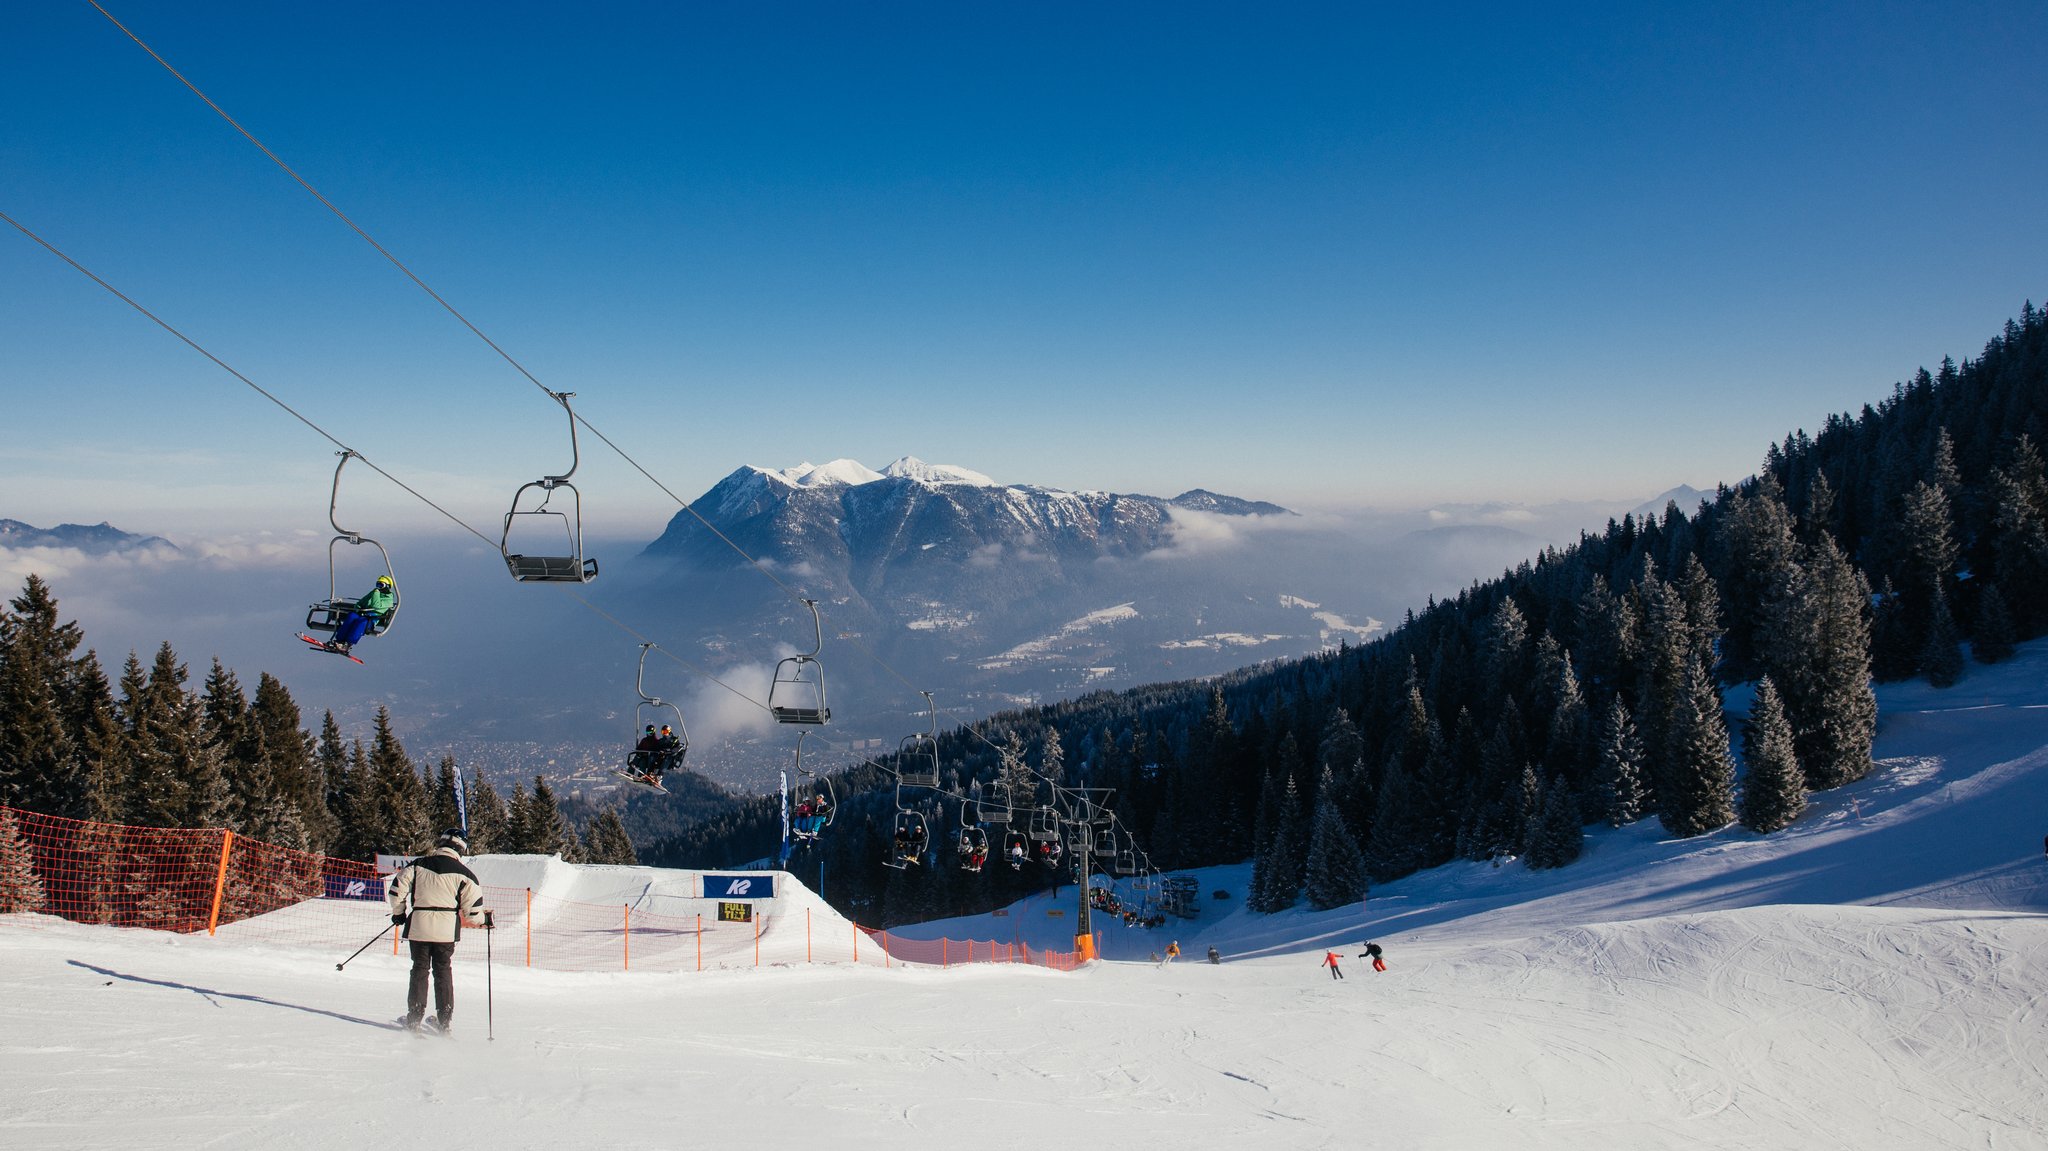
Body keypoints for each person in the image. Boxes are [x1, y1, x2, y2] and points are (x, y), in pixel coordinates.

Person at [388, 828, 486, 1035]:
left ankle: (414, 1019)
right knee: (443, 972)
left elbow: (396, 890)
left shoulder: (418, 865)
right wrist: (484, 920)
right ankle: (444, 1022)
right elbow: (472, 913)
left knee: (419, 970)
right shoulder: (466, 875)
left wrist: (399, 913)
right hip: (446, 931)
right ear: (461, 848)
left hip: (419, 927)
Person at [327, 574, 395, 655]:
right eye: (378, 584)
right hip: (362, 614)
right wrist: (358, 607)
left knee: (361, 622)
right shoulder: (374, 593)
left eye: (381, 585)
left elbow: (376, 606)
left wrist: (376, 593)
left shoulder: (389, 599)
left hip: (370, 620)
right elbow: (362, 602)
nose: (378, 587)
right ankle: (339, 640)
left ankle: (347, 645)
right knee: (352, 616)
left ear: (387, 586)